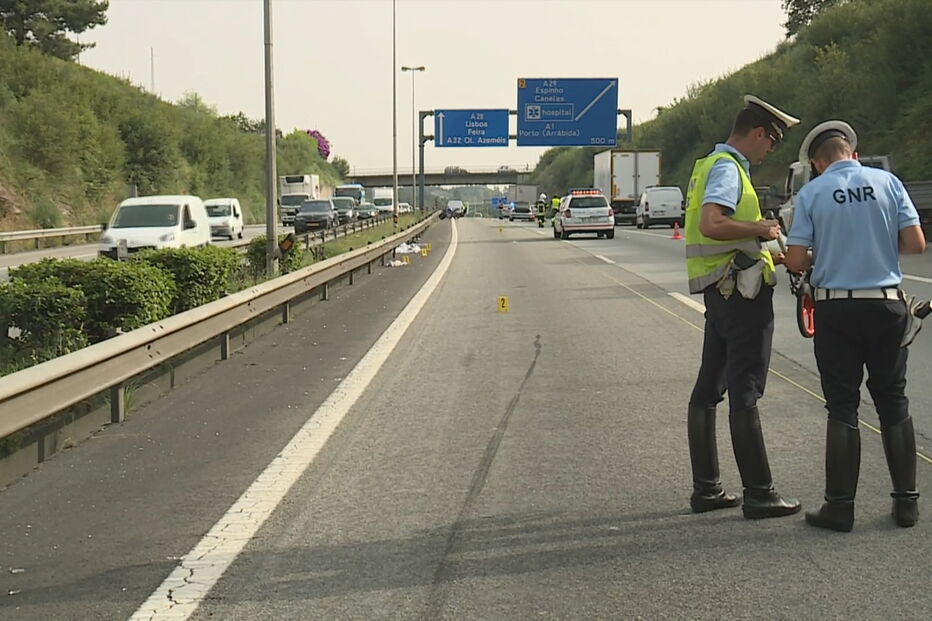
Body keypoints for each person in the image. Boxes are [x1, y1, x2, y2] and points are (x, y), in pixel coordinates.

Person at [785, 121, 926, 531]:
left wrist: (823, 251)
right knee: (893, 400)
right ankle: (906, 505)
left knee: (843, 404)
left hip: (837, 311)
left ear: (817, 161)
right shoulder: (888, 182)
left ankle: (840, 507)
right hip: (887, 305)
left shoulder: (812, 193)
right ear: (853, 153)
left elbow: (795, 261)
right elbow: (915, 244)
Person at [684, 95, 802, 519]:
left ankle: (707, 490)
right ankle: (759, 492)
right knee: (745, 389)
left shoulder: (708, 165)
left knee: (709, 387)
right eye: (771, 142)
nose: (771, 150)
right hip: (742, 295)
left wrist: (773, 251)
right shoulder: (728, 169)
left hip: (722, 290)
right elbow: (712, 224)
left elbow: (729, 238)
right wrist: (762, 226)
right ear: (757, 134)